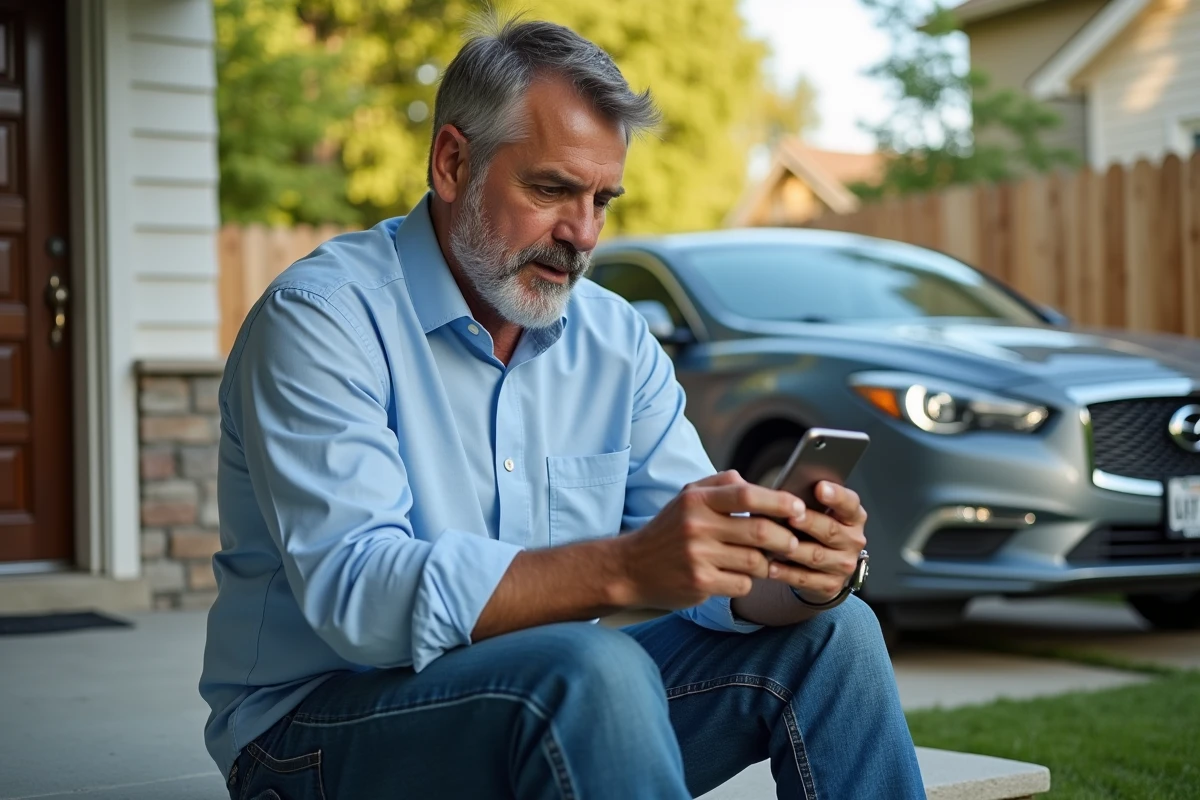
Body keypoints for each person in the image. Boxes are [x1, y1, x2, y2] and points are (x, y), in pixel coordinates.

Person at [201, 16, 925, 800]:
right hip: (311, 736)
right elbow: (360, 598)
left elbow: (713, 578)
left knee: (835, 635)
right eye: (551, 189)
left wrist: (803, 572)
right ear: (452, 162)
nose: (582, 233)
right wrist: (620, 569)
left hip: (558, 701)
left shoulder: (614, 338)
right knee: (592, 667)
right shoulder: (322, 317)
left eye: (603, 199)